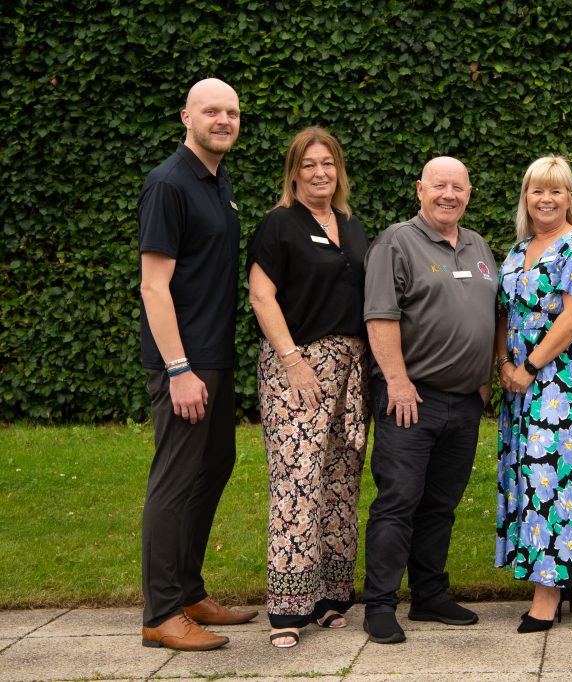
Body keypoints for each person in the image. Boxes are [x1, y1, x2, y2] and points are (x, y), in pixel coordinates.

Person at [138, 78, 256, 651]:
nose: (224, 120)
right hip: (184, 362)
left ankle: (187, 590)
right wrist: (179, 368)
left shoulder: (218, 180)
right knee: (175, 479)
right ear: (186, 115)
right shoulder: (168, 184)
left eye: (232, 112)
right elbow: (154, 286)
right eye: (212, 110)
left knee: (214, 468)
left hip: (215, 356)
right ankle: (160, 614)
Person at [360, 156, 498, 644]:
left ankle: (429, 595)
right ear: (420, 189)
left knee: (441, 504)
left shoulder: (478, 245)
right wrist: (396, 382)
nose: (449, 195)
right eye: (439, 186)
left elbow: (491, 313)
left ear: (469, 193)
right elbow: (380, 316)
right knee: (398, 501)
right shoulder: (396, 242)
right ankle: (379, 603)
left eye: (458, 187)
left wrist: (483, 379)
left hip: (463, 401)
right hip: (410, 397)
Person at [247, 127, 371, 649]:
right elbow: (260, 295)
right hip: (297, 366)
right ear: (294, 171)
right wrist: (293, 361)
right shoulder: (278, 226)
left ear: (339, 170)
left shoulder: (352, 225)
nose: (320, 172)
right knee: (298, 484)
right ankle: (287, 608)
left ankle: (329, 596)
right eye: (309, 164)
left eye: (329, 163)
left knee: (341, 481)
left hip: (351, 367)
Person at [495, 155, 572, 634]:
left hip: (558, 378)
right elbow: (502, 312)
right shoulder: (517, 249)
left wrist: (528, 366)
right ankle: (546, 575)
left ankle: (548, 592)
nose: (545, 200)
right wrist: (505, 365)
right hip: (519, 380)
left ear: (570, 197)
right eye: (536, 191)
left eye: (556, 191)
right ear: (525, 197)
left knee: (554, 478)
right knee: (527, 475)